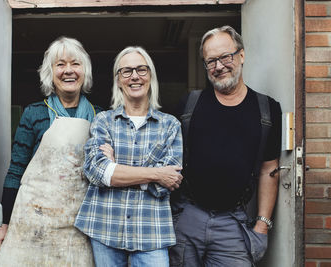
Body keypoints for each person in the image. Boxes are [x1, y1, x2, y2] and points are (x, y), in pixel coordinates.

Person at [169, 25, 282, 266]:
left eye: (225, 57)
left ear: (241, 55)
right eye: (211, 61)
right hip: (188, 218)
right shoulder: (189, 105)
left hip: (235, 223)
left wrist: (262, 225)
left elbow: (268, 169)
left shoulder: (267, 109)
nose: (219, 66)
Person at [0, 36, 101, 266]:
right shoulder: (33, 114)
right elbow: (16, 170)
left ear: (85, 71)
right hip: (34, 224)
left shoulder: (101, 118)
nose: (68, 70)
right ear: (50, 72)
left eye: (75, 63)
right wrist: (5, 224)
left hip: (81, 228)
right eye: (60, 64)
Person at [75, 46, 183, 267]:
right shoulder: (103, 121)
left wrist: (116, 168)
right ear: (118, 80)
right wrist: (155, 173)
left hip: (151, 233)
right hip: (104, 228)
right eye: (127, 71)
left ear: (150, 76)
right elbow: (97, 172)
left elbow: (167, 183)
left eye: (141, 69)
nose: (135, 76)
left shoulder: (170, 125)